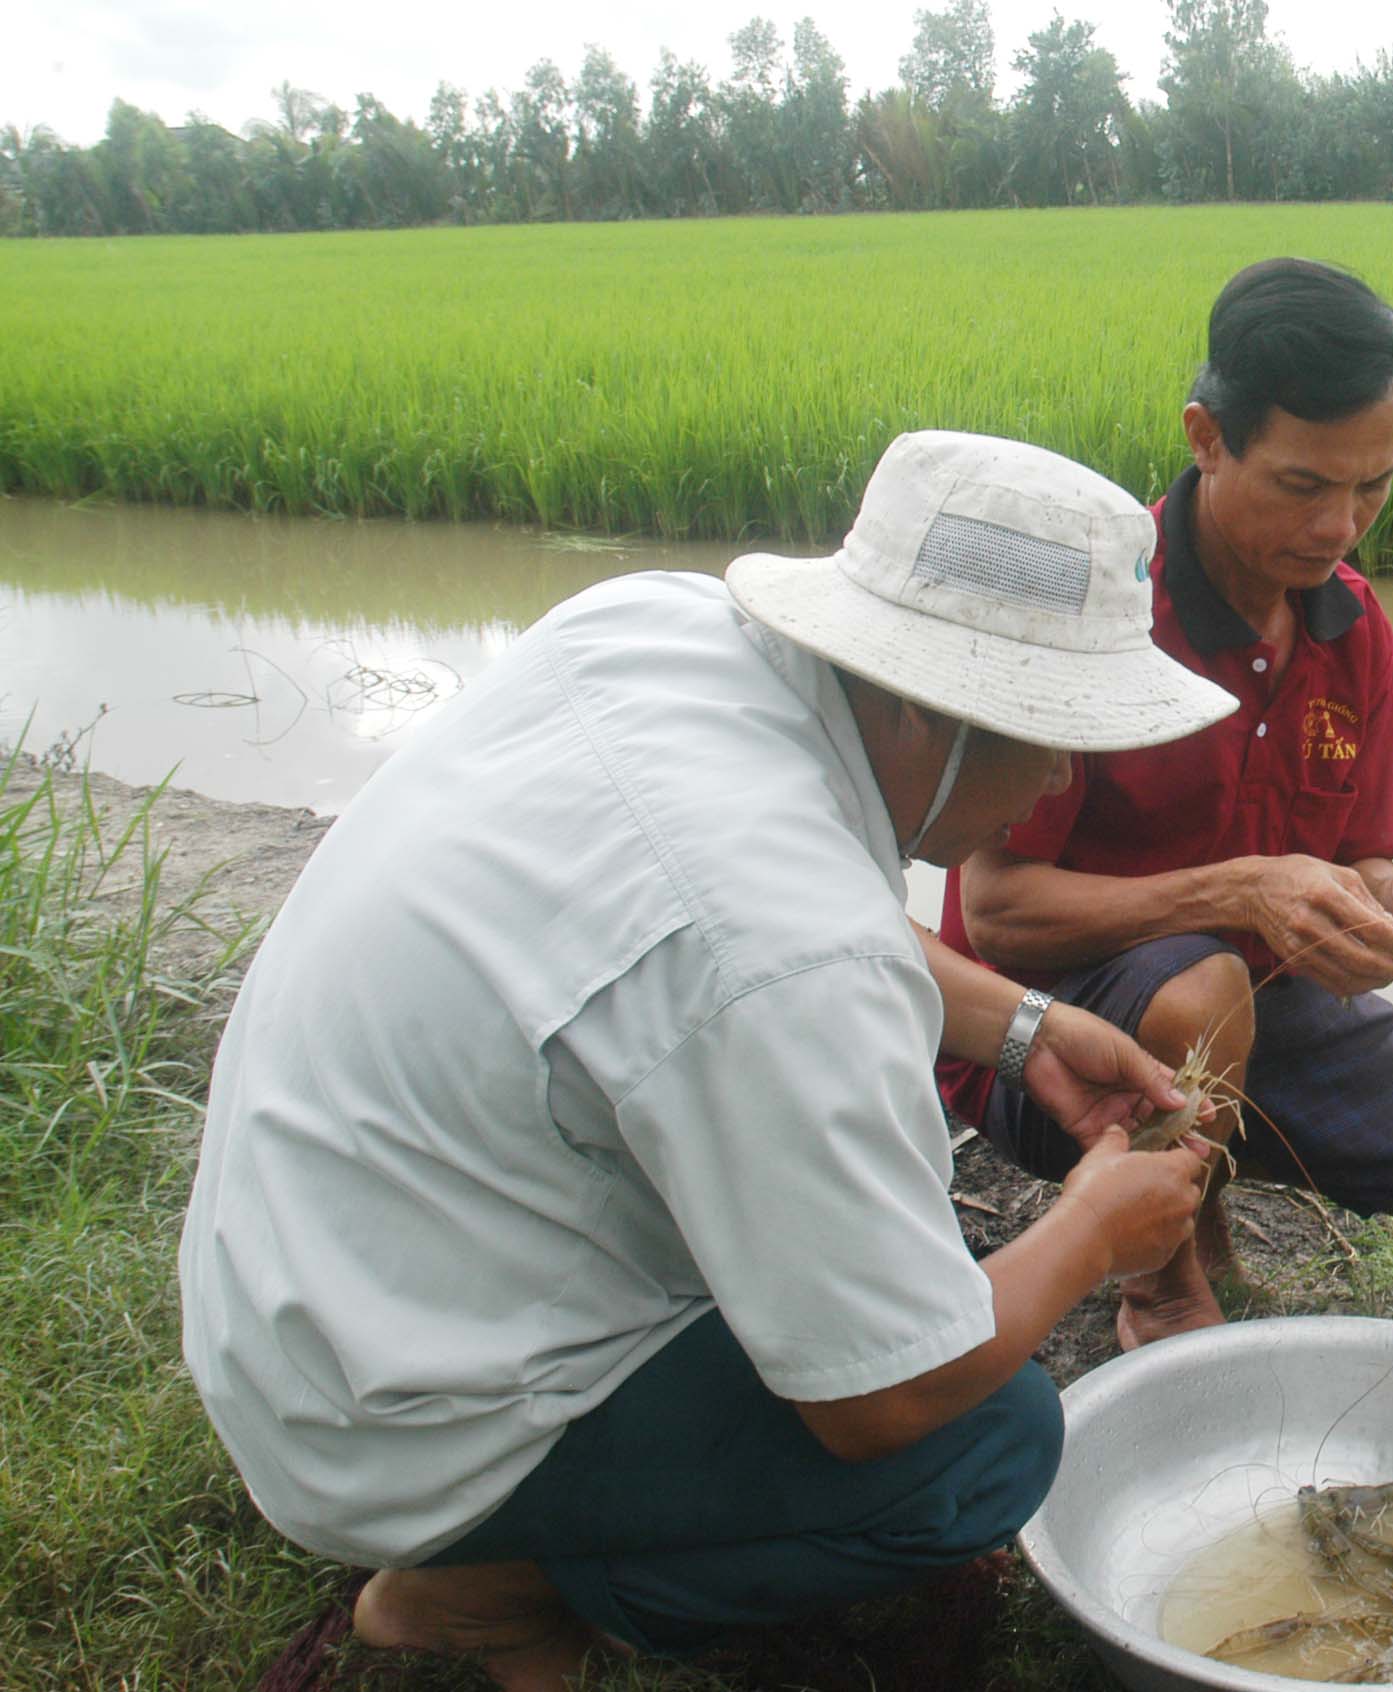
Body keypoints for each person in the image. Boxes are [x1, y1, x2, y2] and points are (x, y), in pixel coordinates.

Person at [179, 433, 1240, 1690]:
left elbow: (746, 908)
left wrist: (1023, 1029)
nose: (1065, 774)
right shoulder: (786, 954)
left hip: (306, 1295)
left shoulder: (656, 633)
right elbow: (881, 1402)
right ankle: (476, 1585)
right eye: (1049, 730)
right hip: (403, 1415)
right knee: (987, 1439)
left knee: (898, 1264)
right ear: (921, 700)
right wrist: (1091, 1237)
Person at [930, 258, 1393, 1349]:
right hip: (1049, 1038)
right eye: (1303, 485)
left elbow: (1361, 859)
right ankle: (1160, 1273)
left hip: (1255, 1017)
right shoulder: (1101, 613)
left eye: (1372, 486)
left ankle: (1220, 1160)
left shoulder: (1352, 626)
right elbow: (997, 914)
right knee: (1202, 986)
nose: (1341, 524)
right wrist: (1244, 890)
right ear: (1206, 438)